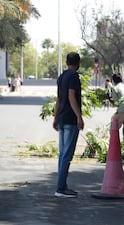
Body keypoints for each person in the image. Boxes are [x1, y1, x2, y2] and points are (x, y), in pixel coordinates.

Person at [53, 52, 84, 198]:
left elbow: (59, 99)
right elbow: (72, 96)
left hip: (62, 118)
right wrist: (79, 116)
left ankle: (62, 185)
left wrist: (55, 117)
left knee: (62, 154)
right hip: (71, 119)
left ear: (66, 62)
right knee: (67, 155)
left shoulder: (62, 77)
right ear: (78, 63)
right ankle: (60, 188)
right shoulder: (73, 76)